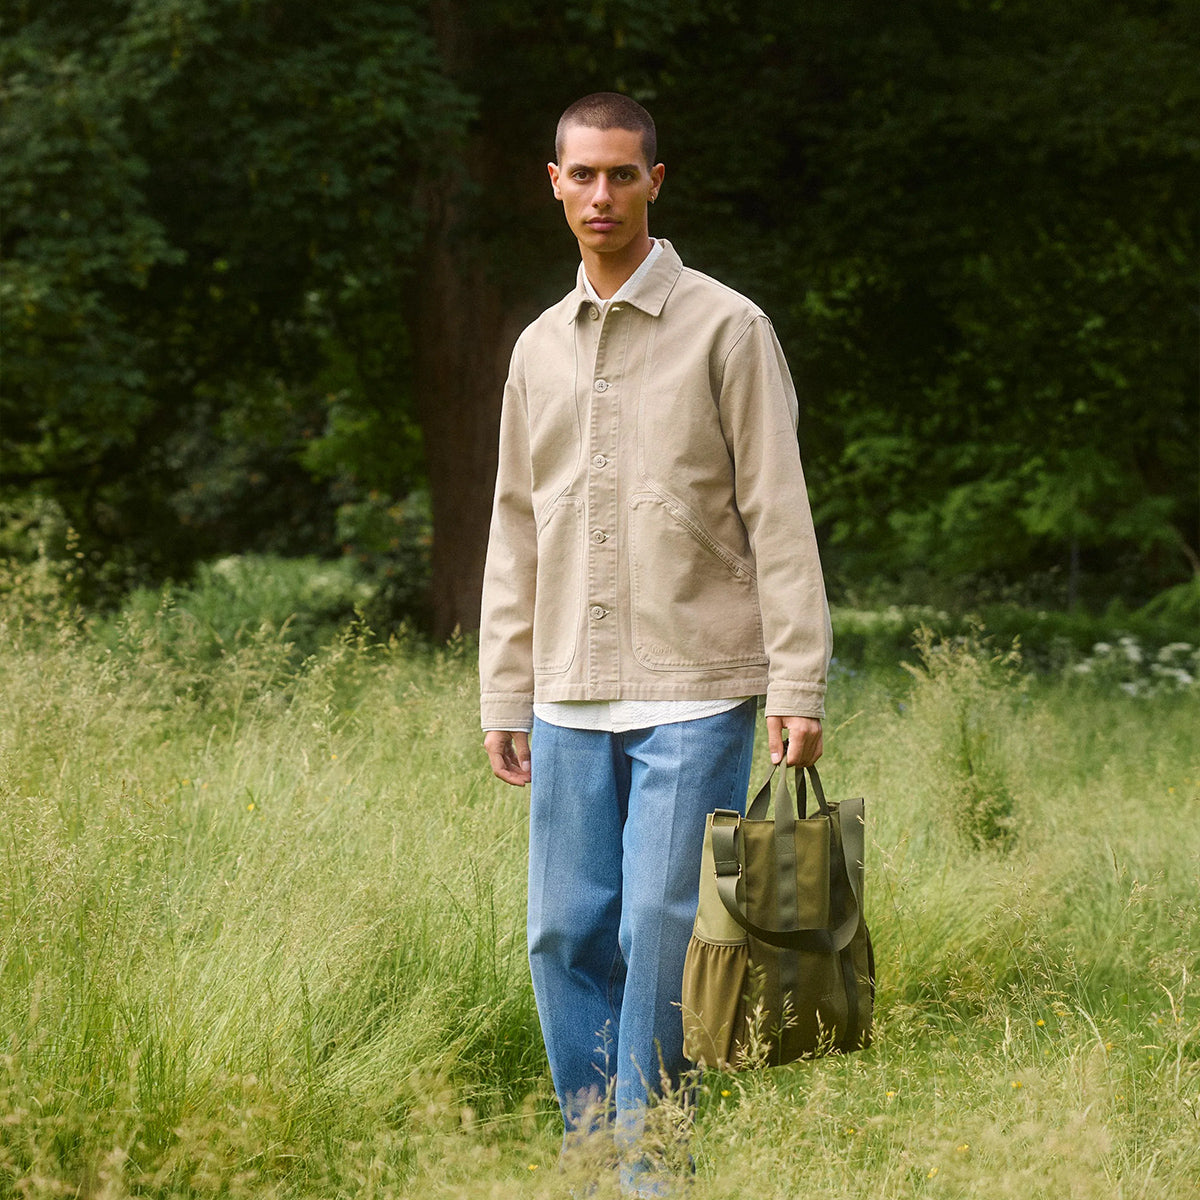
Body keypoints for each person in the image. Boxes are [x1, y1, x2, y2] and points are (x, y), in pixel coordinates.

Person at [479, 92, 831, 1192]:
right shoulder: (537, 347)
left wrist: (799, 678)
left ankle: (652, 1172)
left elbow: (779, 511)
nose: (600, 195)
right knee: (562, 936)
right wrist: (503, 691)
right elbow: (512, 526)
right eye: (580, 175)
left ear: (655, 182)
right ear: (553, 183)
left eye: (620, 175)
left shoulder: (730, 327)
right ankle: (590, 1158)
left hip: (697, 686)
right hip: (567, 696)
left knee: (661, 935)